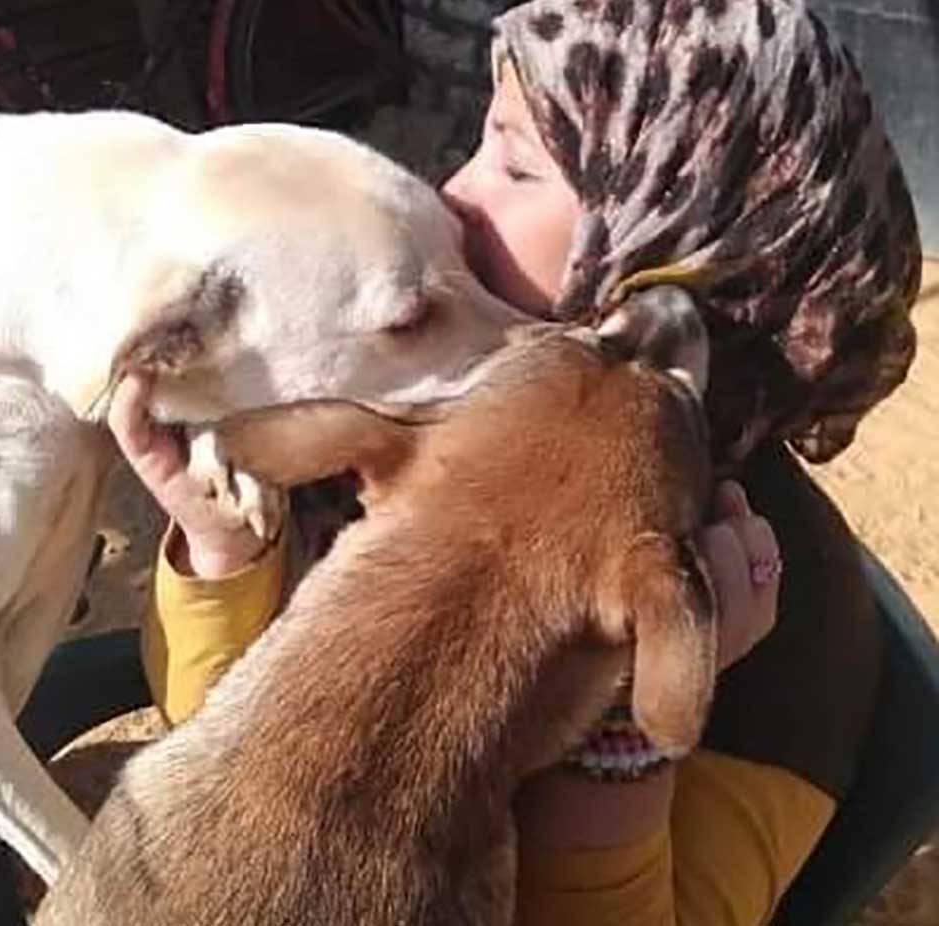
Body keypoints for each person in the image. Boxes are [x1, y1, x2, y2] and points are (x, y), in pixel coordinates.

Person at [108, 0, 922, 922]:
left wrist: (622, 745)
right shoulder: (426, 418)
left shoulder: (792, 634)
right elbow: (218, 799)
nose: (451, 191)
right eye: (478, 140)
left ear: (674, 229)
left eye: (517, 162)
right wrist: (226, 559)